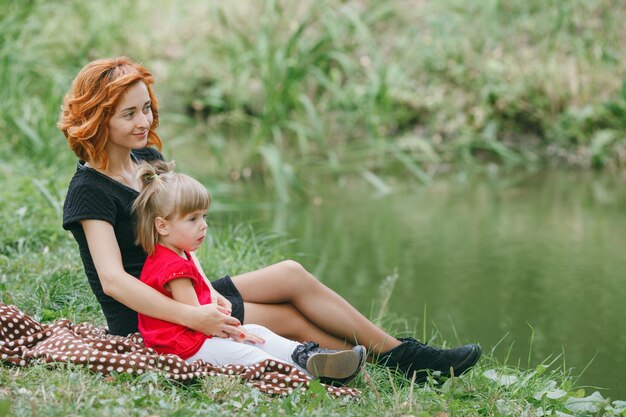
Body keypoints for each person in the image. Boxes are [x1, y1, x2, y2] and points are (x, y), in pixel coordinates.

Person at [59, 56, 481, 385]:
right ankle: (395, 366)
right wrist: (193, 316)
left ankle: (400, 356)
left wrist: (206, 294)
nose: (144, 122)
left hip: (189, 292)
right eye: (128, 114)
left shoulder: (146, 161)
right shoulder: (89, 191)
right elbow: (113, 281)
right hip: (152, 318)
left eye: (146, 109)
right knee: (291, 320)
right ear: (99, 118)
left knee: (291, 275)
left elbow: (180, 245)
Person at [131, 159, 366, 384]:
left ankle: (306, 355)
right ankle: (309, 375)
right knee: (253, 356)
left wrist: (232, 323)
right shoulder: (173, 267)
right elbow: (197, 318)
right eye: (192, 219)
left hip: (195, 337)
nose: (203, 225)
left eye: (204, 216)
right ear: (162, 226)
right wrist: (231, 330)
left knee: (257, 331)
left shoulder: (178, 252)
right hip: (184, 347)